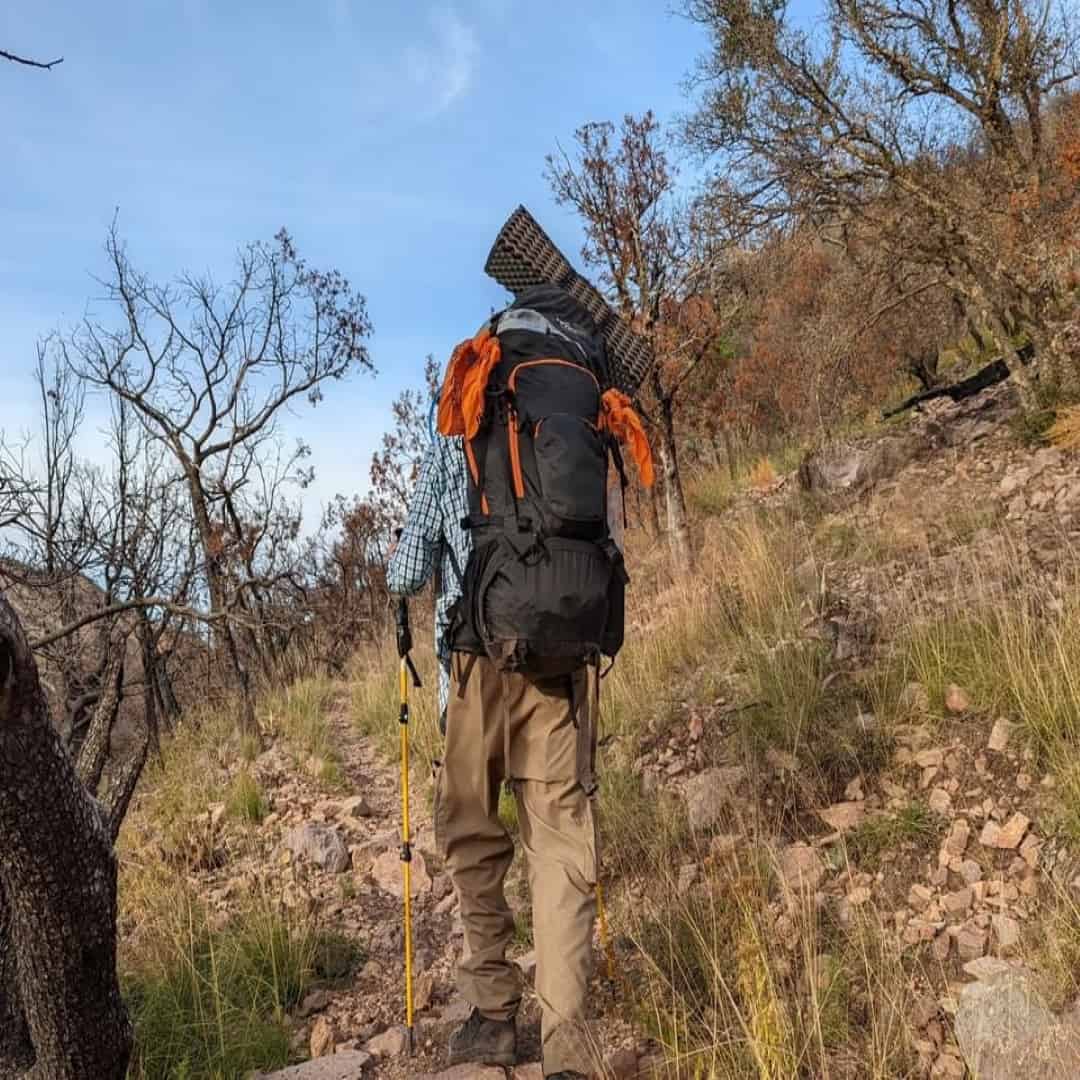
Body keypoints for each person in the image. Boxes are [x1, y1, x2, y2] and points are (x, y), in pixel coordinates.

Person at [388, 288, 651, 1080]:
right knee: (562, 840)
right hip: (564, 659)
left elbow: (411, 563)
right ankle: (567, 1046)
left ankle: (496, 1015)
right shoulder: (579, 406)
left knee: (472, 832)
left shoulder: (472, 394)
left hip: (475, 661)